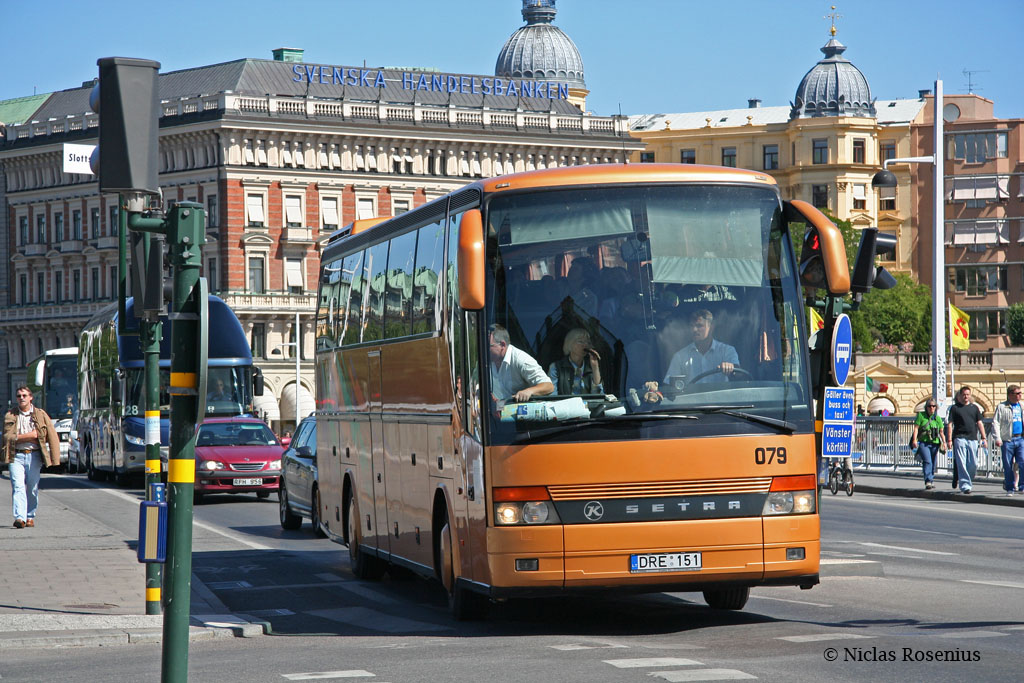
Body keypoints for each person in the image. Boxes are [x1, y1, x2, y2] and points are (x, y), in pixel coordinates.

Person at [3, 386, 61, 528]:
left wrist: (54, 456)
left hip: (34, 455)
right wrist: (29, 436)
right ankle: (20, 518)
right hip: (16, 456)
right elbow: (8, 437)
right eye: (18, 396)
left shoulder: (40, 414)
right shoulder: (11, 415)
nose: (21, 398)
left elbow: (49, 435)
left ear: (30, 397)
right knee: (18, 486)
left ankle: (30, 516)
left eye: (24, 395)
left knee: (32, 488)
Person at [663, 308, 740, 385]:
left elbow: (739, 374)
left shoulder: (727, 350)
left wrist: (731, 368)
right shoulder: (680, 357)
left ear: (711, 327)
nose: (694, 329)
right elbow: (669, 385)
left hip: (721, 397)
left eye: (699, 326)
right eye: (691, 326)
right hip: (691, 397)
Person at [488, 323, 554, 406]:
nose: (484, 350)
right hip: (494, 412)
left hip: (519, 414)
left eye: (488, 346)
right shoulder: (485, 361)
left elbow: (549, 386)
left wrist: (529, 391)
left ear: (502, 345)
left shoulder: (521, 360)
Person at [944, 385, 986, 495]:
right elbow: (950, 424)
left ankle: (967, 479)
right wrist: (949, 440)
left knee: (973, 463)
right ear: (960, 396)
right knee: (961, 462)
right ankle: (965, 486)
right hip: (959, 438)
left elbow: (980, 423)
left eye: (968, 394)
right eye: (964, 395)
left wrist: (984, 437)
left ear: (970, 395)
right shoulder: (955, 408)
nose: (966, 397)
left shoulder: (974, 408)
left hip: (973, 438)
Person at [548, 328, 603, 396]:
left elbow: (598, 396)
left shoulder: (590, 367)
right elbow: (553, 396)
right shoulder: (556, 367)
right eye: (580, 341)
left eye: (588, 342)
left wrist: (595, 368)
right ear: (570, 343)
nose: (585, 345)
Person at [991, 384, 1024, 496]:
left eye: (1020, 393)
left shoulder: (1021, 405)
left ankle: (1022, 486)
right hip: (1008, 440)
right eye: (1017, 393)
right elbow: (996, 422)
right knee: (1008, 465)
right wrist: (998, 438)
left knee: (1022, 462)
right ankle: (1010, 487)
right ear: (1010, 395)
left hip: (1020, 438)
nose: (1020, 395)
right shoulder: (1002, 407)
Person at [910, 398, 947, 490]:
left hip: (935, 443)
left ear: (936, 408)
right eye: (929, 406)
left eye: (933, 406)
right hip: (924, 443)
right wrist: (914, 440)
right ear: (926, 407)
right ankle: (928, 481)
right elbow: (916, 428)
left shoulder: (937, 418)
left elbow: (941, 432)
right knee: (927, 461)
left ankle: (931, 479)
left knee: (933, 462)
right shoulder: (921, 416)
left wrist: (944, 443)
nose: (931, 408)